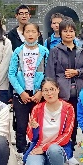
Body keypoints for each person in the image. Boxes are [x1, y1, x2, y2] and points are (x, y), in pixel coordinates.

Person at [46, 18, 83, 165]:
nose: (68, 34)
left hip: (78, 92)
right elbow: (50, 73)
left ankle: (71, 152)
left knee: (74, 122)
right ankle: (62, 151)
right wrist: (52, 92)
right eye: (65, 31)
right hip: (62, 93)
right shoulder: (55, 51)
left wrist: (77, 72)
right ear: (60, 32)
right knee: (62, 123)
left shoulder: (81, 51)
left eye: (71, 31)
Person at [24, 78, 74, 165]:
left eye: (52, 89)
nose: (49, 93)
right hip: (38, 147)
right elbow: (31, 137)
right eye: (45, 90)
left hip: (58, 148)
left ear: (58, 90)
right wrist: (34, 128)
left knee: (53, 149)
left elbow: (67, 135)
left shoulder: (68, 108)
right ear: (42, 93)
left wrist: (44, 147)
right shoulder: (37, 109)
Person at [8, 22, 49, 153]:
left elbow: (48, 73)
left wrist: (41, 91)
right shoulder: (18, 51)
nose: (30, 34)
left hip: (38, 93)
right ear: (23, 34)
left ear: (38, 34)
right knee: (21, 124)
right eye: (27, 32)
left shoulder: (44, 52)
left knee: (38, 122)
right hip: (21, 93)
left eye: (33, 31)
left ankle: (38, 147)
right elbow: (11, 74)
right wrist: (21, 92)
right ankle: (21, 150)